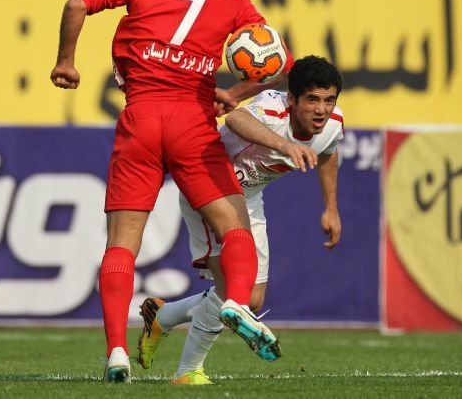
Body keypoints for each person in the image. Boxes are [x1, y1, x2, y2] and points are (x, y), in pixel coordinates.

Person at [49, 0, 293, 383]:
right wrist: (235, 93)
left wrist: (66, 62)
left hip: (140, 118)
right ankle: (237, 303)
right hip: (191, 124)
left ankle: (116, 352)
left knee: (122, 245)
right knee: (235, 230)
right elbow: (278, 59)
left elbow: (76, 4)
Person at [136, 56, 344, 385]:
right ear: (292, 98)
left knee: (251, 299)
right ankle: (188, 371)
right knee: (230, 287)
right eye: (312, 100)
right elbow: (235, 119)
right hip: (209, 189)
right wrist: (283, 145)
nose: (321, 110)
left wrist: (330, 207)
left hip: (249, 199)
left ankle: (163, 316)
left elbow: (328, 152)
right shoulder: (272, 109)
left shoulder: (333, 124)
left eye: (329, 100)